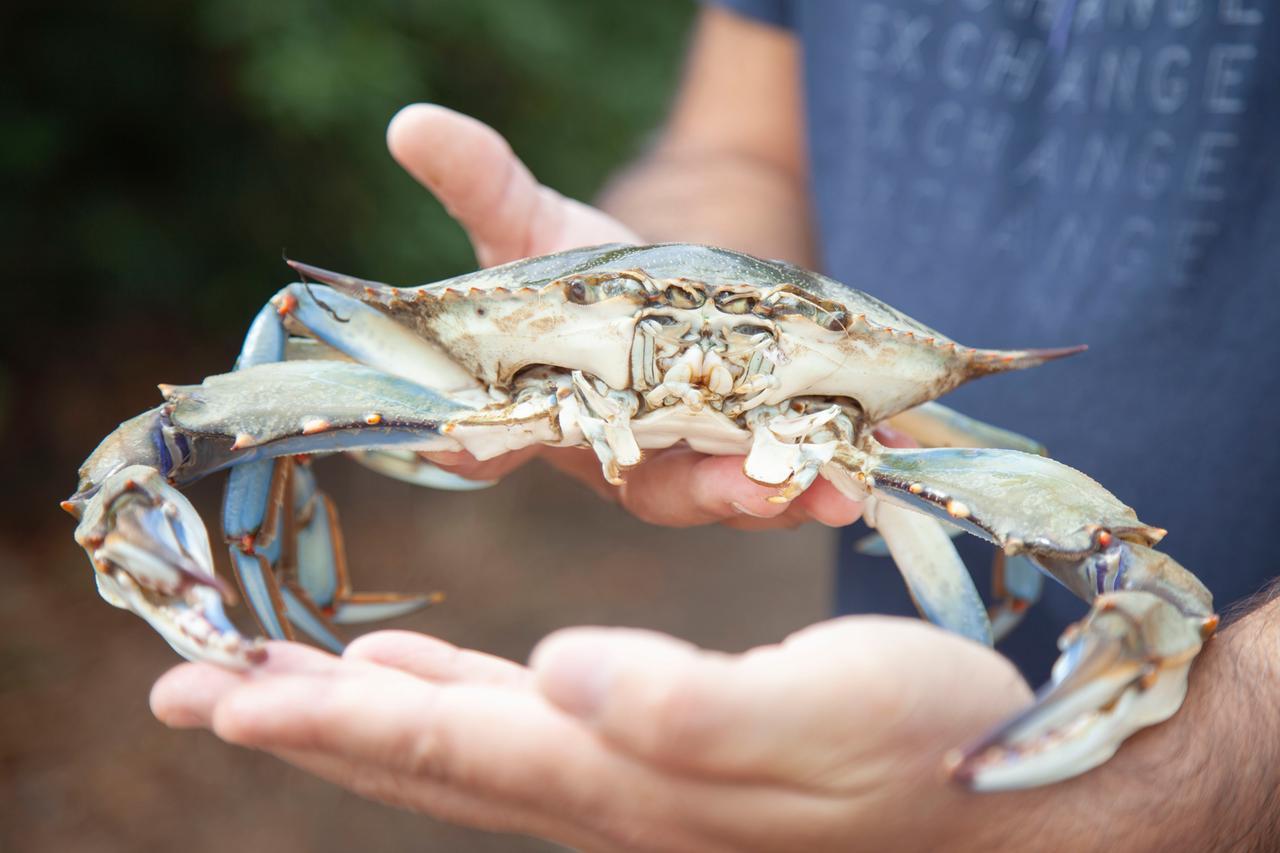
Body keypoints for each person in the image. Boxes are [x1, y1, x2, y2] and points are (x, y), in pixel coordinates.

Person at [151, 4, 1280, 850]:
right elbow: (736, 146)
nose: (695, 345)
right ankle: (273, 576)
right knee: (258, 363)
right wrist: (634, 247)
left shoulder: (930, 426)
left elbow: (1077, 541)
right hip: (888, 714)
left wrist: (1183, 775)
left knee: (1089, 542)